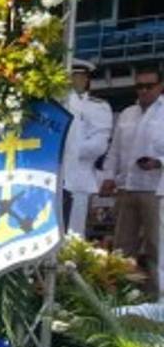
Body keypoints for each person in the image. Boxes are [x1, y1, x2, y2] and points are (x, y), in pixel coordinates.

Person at [102, 67, 164, 295]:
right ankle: (122, 296)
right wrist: (108, 176)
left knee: (157, 246)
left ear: (160, 86)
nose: (144, 90)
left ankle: (158, 299)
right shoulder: (127, 114)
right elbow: (114, 150)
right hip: (126, 187)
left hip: (156, 189)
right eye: (139, 86)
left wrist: (159, 162)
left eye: (149, 86)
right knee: (122, 247)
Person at [62, 59, 113, 237]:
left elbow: (99, 145)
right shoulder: (55, 103)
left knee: (74, 231)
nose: (72, 81)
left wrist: (69, 150)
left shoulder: (97, 106)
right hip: (54, 173)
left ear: (86, 79)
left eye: (77, 76)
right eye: (70, 76)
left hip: (79, 175)